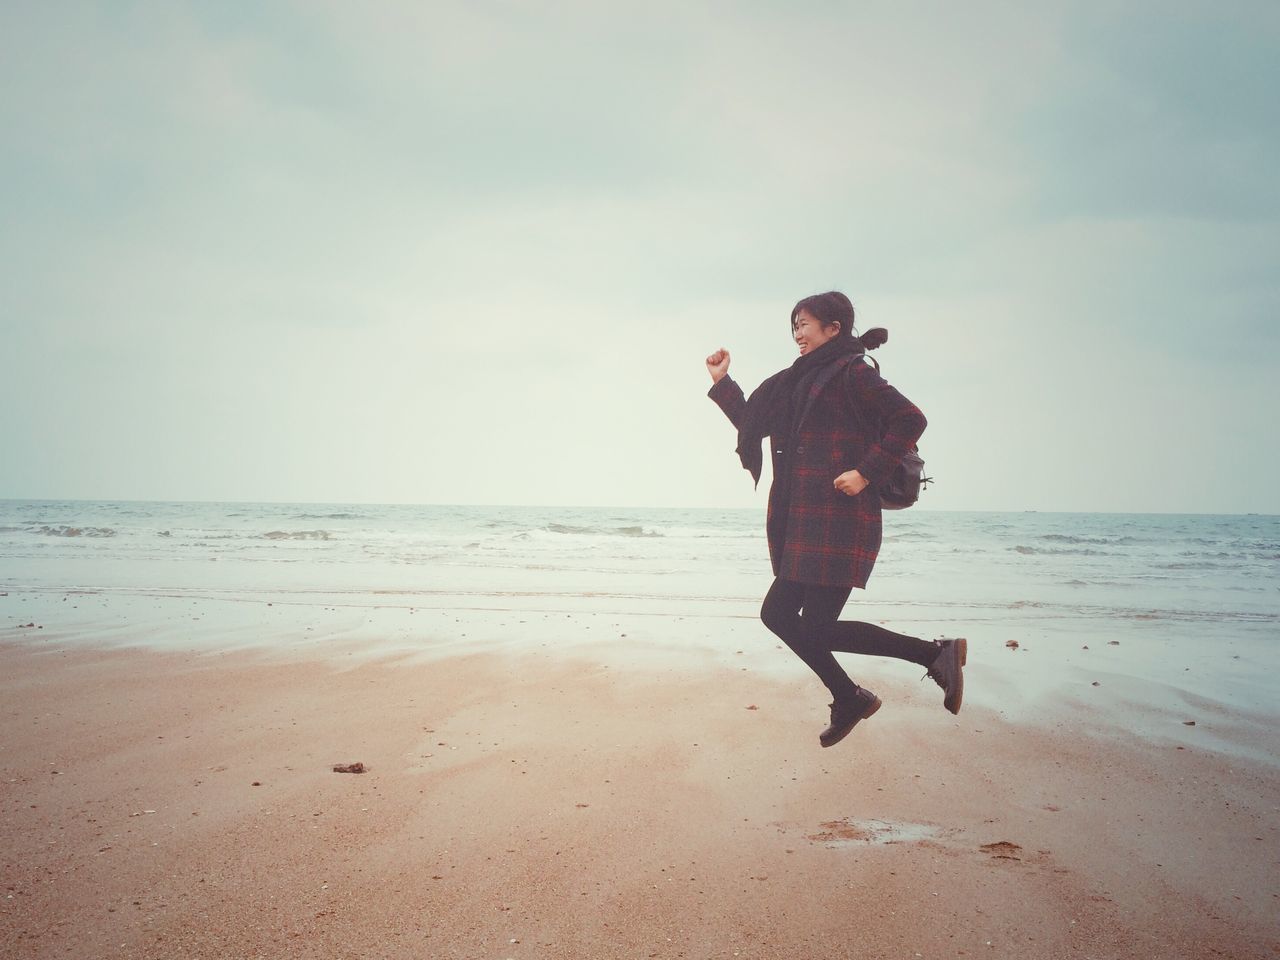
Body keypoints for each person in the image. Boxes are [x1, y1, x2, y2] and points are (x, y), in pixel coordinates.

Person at [704, 291, 965, 748]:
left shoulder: (853, 373)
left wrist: (866, 472)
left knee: (787, 616)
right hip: (804, 521)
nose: (798, 334)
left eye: (804, 324)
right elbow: (753, 421)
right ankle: (862, 690)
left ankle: (912, 665)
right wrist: (724, 382)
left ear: (833, 329)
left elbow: (910, 419)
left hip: (839, 521)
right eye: (794, 327)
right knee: (786, 616)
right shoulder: (796, 382)